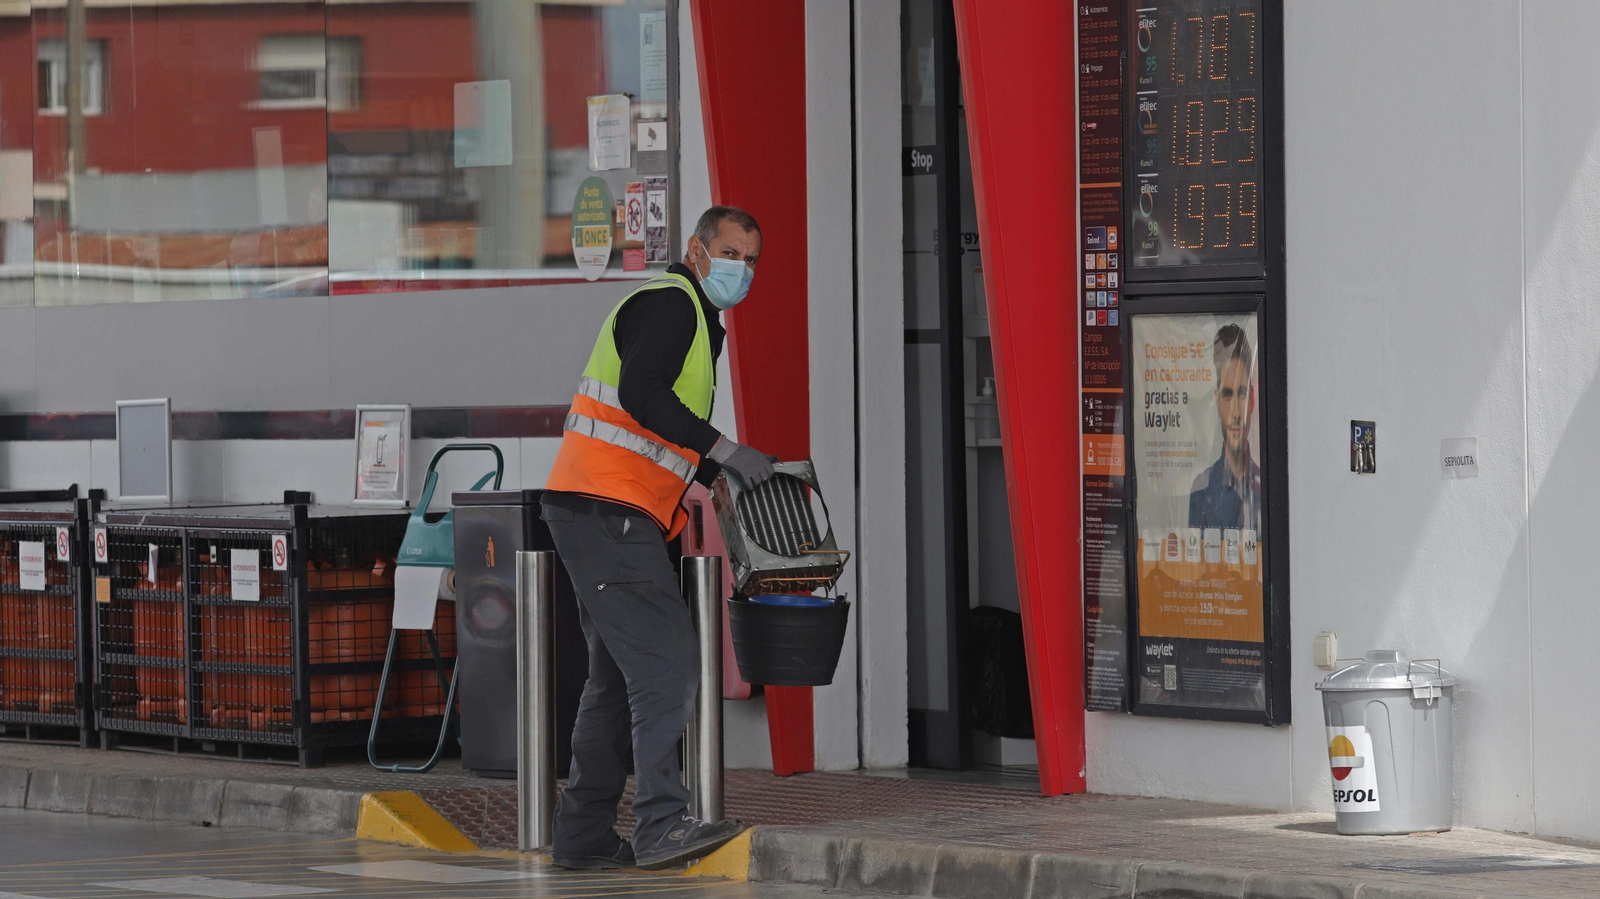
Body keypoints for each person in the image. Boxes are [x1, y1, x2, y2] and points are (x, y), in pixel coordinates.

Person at [541, 206, 774, 871]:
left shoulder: (694, 319)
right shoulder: (673, 306)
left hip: (604, 508)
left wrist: (710, 470)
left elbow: (654, 426)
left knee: (617, 681)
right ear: (697, 250)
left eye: (752, 260)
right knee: (667, 663)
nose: (741, 269)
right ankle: (661, 825)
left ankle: (583, 835)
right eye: (730, 253)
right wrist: (724, 450)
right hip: (608, 509)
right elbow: (641, 393)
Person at [1188, 323, 1260, 532]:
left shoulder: (1266, 486)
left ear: (1252, 399)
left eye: (1242, 393)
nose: (1236, 412)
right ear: (1217, 400)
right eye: (1228, 394)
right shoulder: (1201, 489)